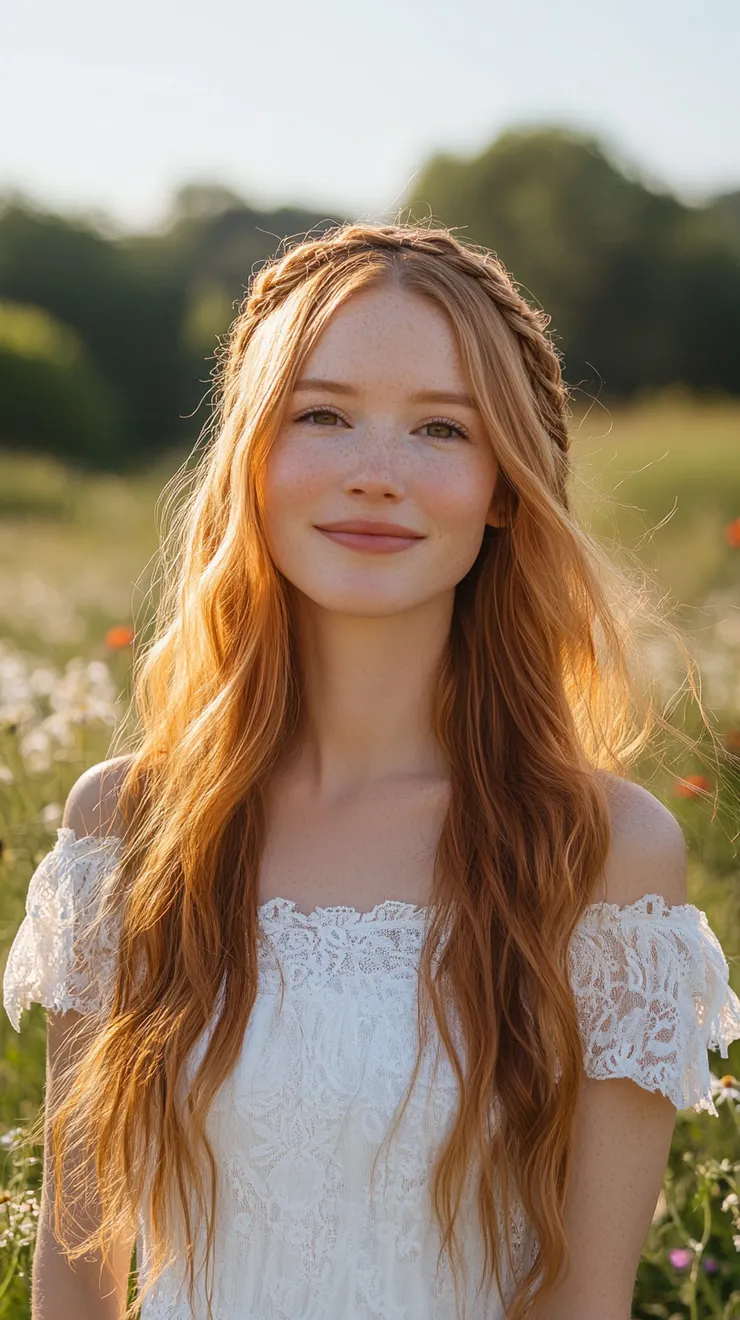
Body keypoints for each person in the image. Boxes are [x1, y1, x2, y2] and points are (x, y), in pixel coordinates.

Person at [4, 220, 740, 1320]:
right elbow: (76, 1269)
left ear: (503, 486)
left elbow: (582, 1301)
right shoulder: (124, 825)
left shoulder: (603, 852)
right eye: (323, 415)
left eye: (441, 428)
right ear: (253, 459)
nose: (374, 476)